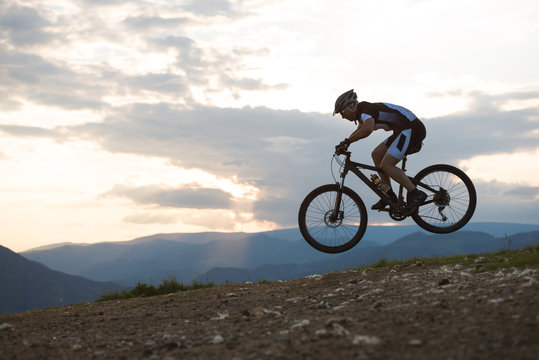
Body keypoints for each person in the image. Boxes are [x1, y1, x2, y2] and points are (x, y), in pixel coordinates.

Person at [333, 89, 427, 211]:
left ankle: (416, 193)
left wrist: (348, 142)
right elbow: (359, 130)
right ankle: (389, 194)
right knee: (376, 154)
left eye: (342, 112)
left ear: (350, 107)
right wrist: (345, 142)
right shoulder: (362, 113)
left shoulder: (365, 111)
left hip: (412, 128)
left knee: (387, 165)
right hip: (403, 129)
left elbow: (367, 129)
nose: (342, 116)